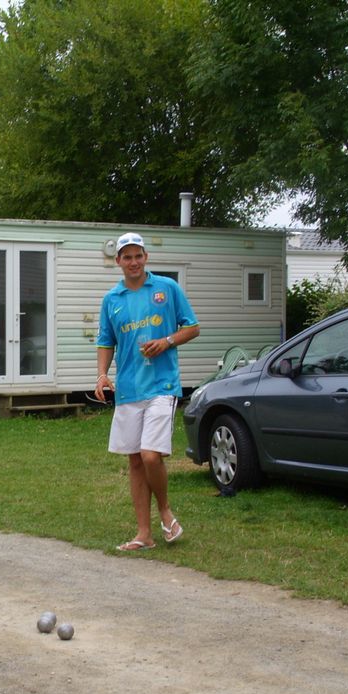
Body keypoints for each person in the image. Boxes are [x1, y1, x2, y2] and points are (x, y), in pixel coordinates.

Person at [95, 232, 200, 552]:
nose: (133, 262)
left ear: (146, 257)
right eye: (127, 257)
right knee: (136, 462)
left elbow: (192, 327)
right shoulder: (112, 299)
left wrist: (166, 341)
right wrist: (102, 375)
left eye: (138, 255)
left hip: (162, 385)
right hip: (128, 390)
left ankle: (166, 512)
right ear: (118, 262)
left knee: (151, 455)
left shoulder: (167, 289)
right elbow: (105, 341)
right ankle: (144, 534)